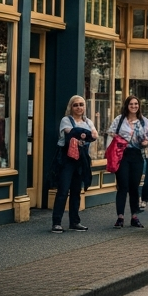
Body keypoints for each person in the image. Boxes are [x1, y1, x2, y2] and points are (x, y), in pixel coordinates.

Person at [51, 96, 96, 233]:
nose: (79, 107)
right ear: (71, 107)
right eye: (75, 105)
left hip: (81, 159)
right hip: (67, 159)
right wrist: (86, 134)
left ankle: (74, 222)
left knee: (76, 191)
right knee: (63, 190)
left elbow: (95, 135)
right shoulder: (66, 120)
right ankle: (56, 223)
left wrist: (84, 134)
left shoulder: (88, 121)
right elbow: (71, 132)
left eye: (81, 104)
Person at [108, 95, 148, 227]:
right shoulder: (120, 119)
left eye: (136, 104)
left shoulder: (144, 121)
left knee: (134, 186)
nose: (134, 106)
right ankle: (120, 217)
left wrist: (146, 142)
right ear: (127, 106)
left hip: (137, 155)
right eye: (131, 104)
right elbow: (111, 132)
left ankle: (134, 216)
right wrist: (121, 138)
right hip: (122, 154)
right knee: (123, 186)